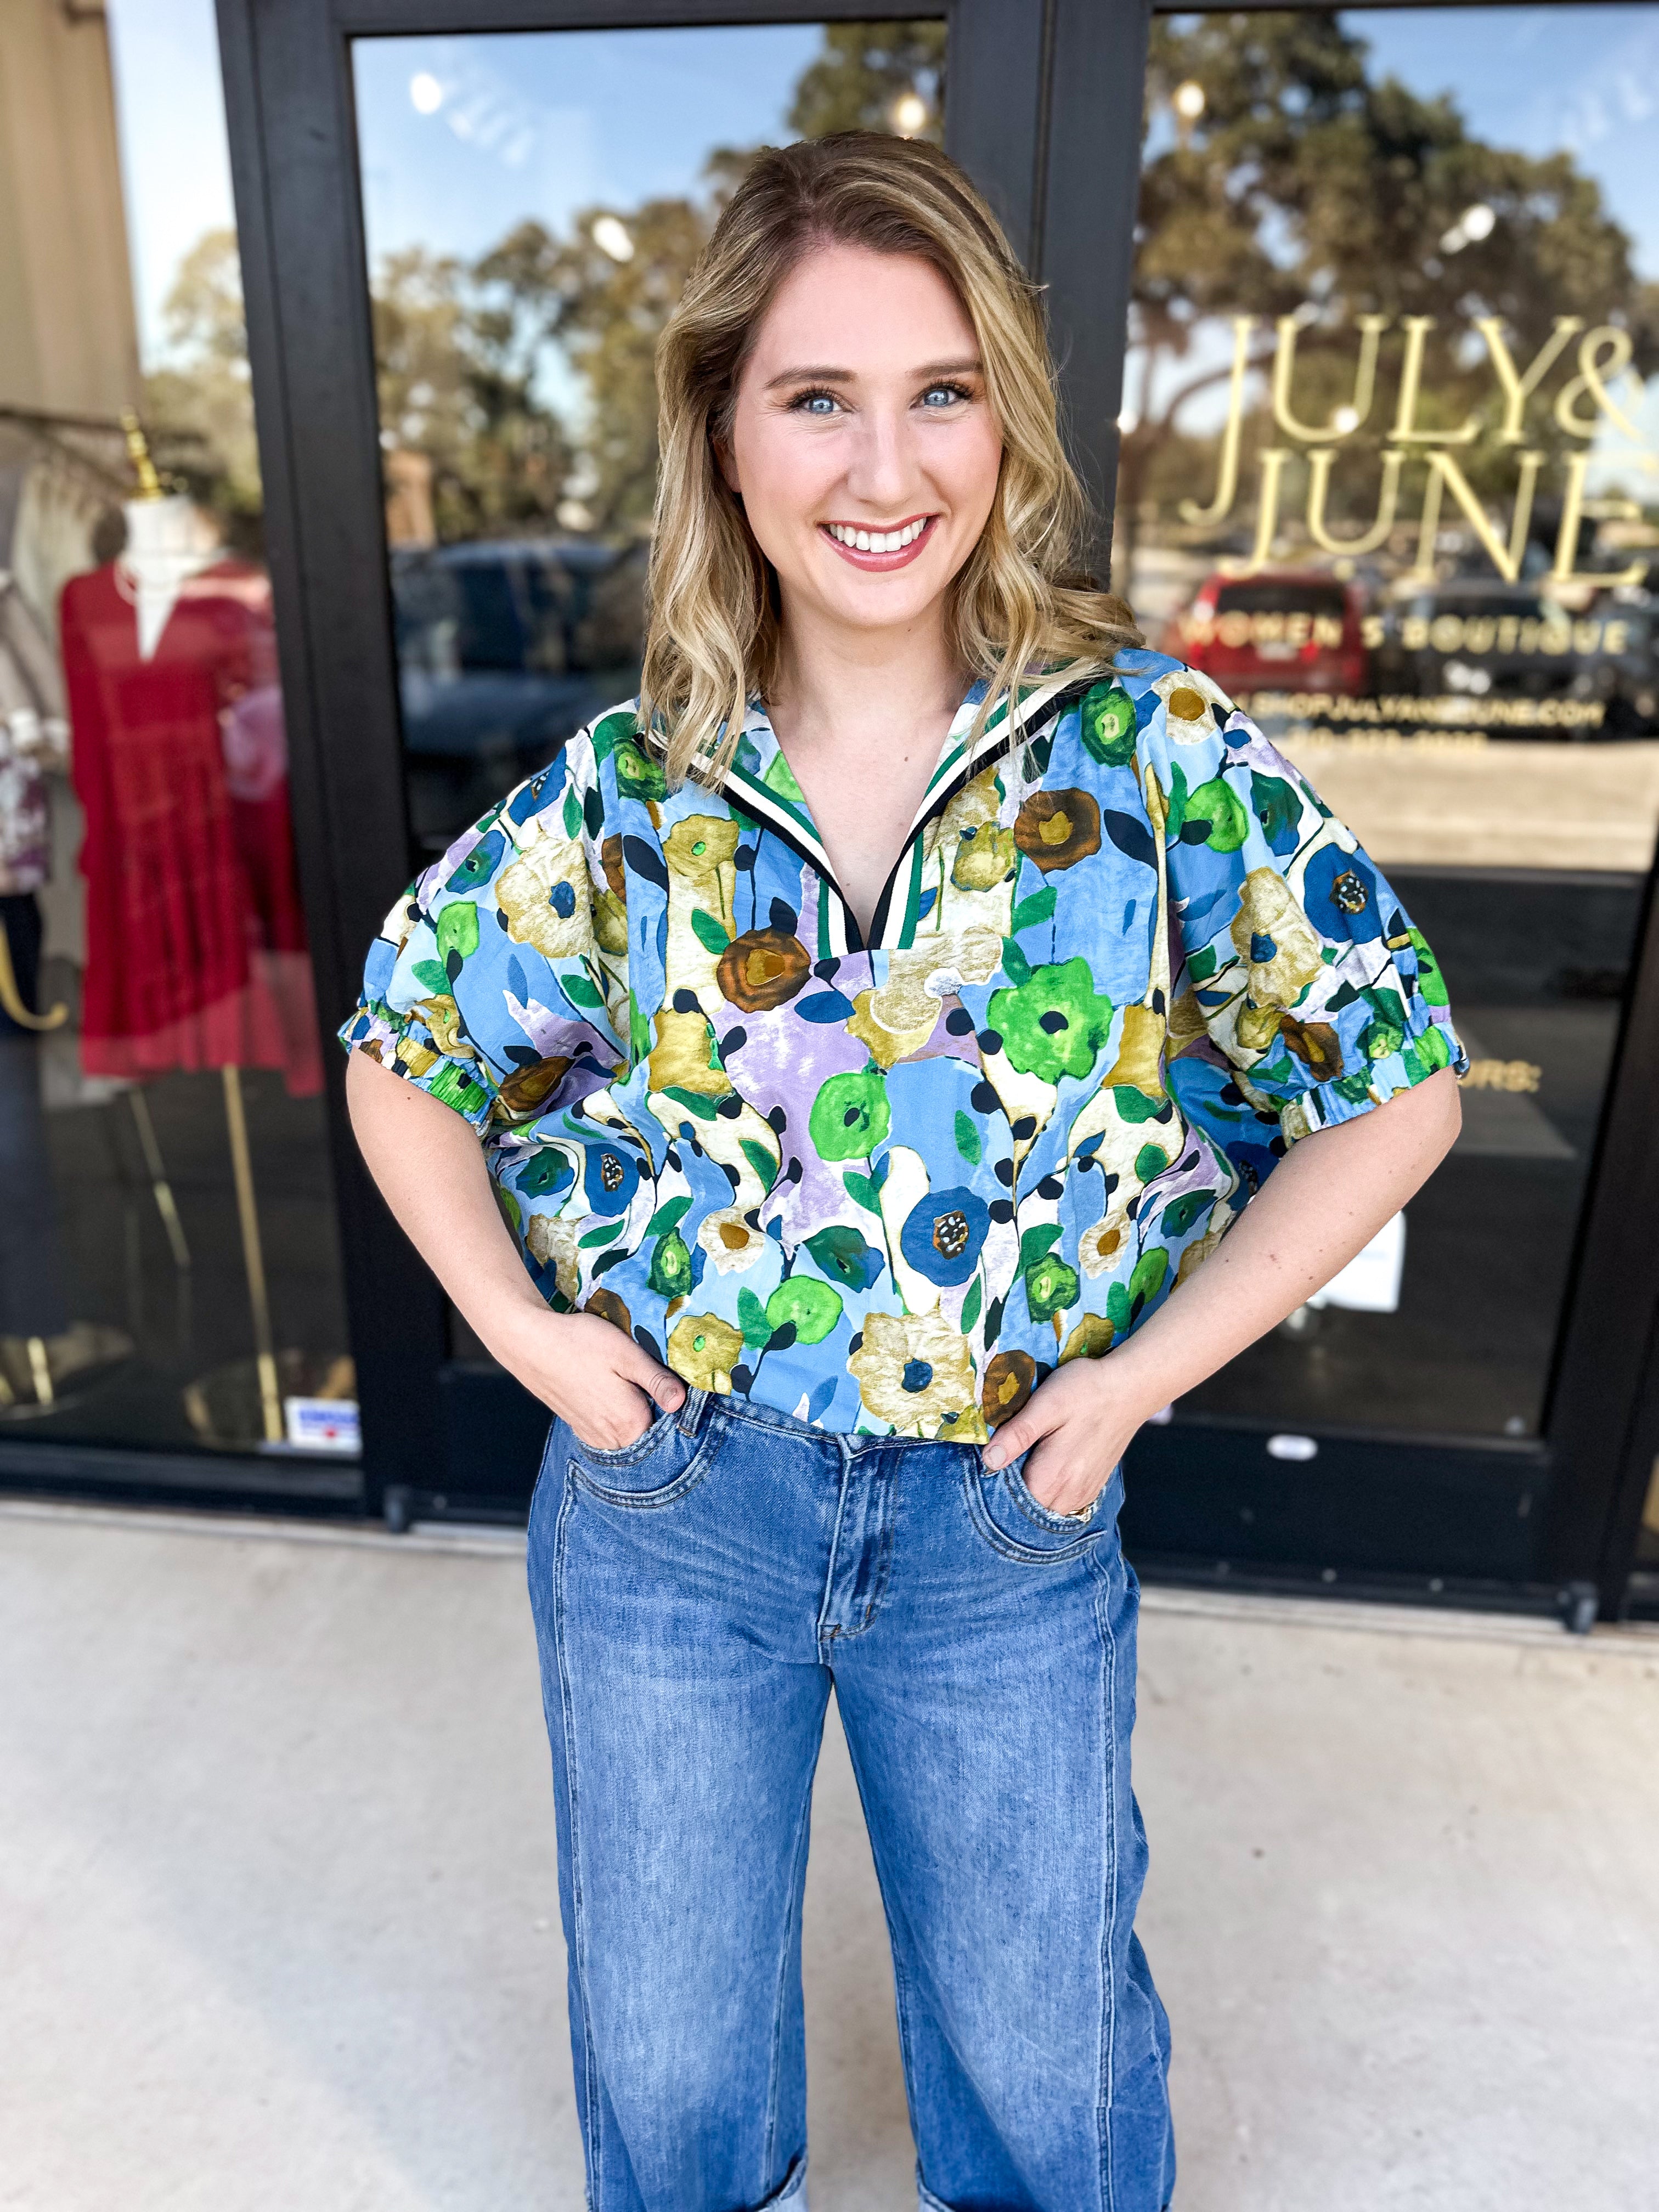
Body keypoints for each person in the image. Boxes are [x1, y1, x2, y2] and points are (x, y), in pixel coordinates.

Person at [341, 132, 1464, 2212]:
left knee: (1055, 2099)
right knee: (670, 2102)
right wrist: (521, 1335)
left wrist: (1137, 1383)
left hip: (1004, 1528)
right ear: (726, 435)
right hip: (679, 1508)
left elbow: (1398, 1085)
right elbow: (403, 1055)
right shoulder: (628, 793)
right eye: (817, 397)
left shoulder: (1149, 757)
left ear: (1004, 422)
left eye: (940, 390)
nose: (887, 469)